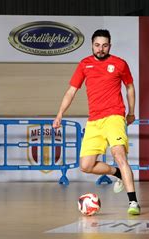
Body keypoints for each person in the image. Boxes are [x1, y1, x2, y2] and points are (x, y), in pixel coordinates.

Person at [52, 29, 140, 215]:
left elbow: (130, 87)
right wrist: (60, 113)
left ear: (110, 45)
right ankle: (117, 173)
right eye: (97, 45)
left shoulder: (119, 64)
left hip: (114, 116)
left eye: (105, 45)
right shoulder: (85, 64)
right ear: (92, 44)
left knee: (119, 154)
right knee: (86, 165)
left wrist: (131, 112)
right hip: (94, 120)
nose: (101, 49)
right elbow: (71, 91)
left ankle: (133, 202)